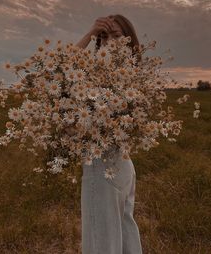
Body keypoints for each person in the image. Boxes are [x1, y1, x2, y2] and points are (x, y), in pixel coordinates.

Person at [76, 14, 143, 254]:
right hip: (122, 166)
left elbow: (62, 71)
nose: (109, 43)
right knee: (125, 237)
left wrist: (88, 34)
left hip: (103, 166)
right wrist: (92, 33)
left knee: (101, 242)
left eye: (116, 36)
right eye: (103, 37)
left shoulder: (113, 75)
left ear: (128, 40)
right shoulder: (131, 74)